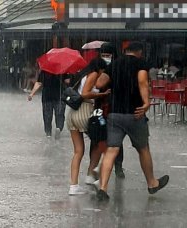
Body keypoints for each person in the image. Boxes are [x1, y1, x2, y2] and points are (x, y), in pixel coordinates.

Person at [95, 42, 169, 201]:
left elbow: (99, 83)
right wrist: (146, 102)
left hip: (115, 113)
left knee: (112, 150)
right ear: (139, 52)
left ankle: (102, 188)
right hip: (135, 113)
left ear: (125, 51)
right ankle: (152, 183)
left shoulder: (114, 64)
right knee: (143, 148)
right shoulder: (140, 63)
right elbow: (142, 81)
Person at [66, 58, 110, 195]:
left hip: (72, 114)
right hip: (85, 111)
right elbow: (85, 93)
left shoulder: (82, 75)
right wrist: (102, 94)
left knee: (78, 151)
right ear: (100, 68)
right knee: (104, 141)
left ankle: (73, 186)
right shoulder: (93, 75)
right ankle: (93, 173)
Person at [85, 43, 126, 187]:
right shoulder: (99, 67)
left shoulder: (117, 68)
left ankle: (116, 166)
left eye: (108, 55)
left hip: (113, 107)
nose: (106, 57)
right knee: (99, 137)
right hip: (101, 106)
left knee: (113, 139)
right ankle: (95, 167)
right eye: (104, 54)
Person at [28, 70, 67, 139]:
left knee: (47, 116)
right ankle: (58, 128)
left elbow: (39, 83)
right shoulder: (62, 70)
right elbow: (68, 81)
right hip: (59, 96)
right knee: (60, 114)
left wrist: (32, 94)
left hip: (47, 96)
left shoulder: (44, 71)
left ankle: (48, 133)